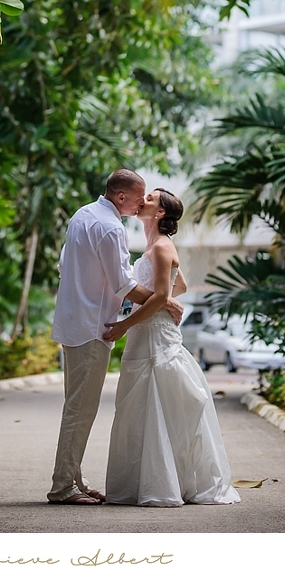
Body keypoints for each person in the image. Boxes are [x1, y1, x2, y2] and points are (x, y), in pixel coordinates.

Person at [47, 168, 184, 505]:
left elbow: (65, 266)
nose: (141, 204)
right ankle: (63, 486)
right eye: (140, 198)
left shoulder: (83, 214)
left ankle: (74, 479)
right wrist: (162, 301)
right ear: (122, 197)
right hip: (93, 328)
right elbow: (123, 285)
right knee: (80, 410)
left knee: (76, 406)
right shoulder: (110, 228)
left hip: (73, 322)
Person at [103, 187, 240, 507]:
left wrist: (127, 323)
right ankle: (143, 482)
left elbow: (165, 294)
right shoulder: (152, 247)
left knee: (159, 406)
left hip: (154, 336)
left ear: (161, 212)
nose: (142, 201)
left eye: (149, 199)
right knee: (136, 408)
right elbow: (179, 287)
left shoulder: (162, 248)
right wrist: (165, 301)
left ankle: (164, 483)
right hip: (143, 333)